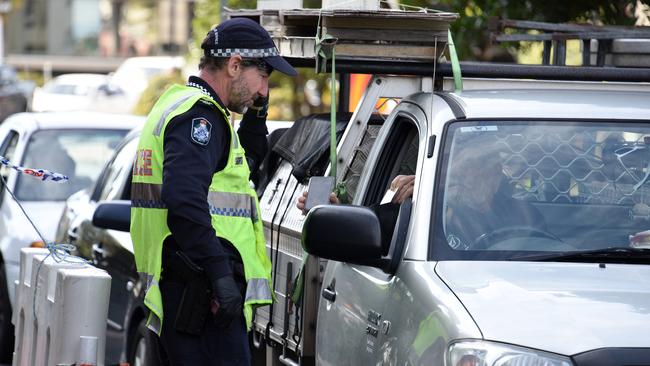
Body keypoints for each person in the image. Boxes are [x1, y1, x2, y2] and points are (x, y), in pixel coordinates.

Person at [130, 18, 297, 365]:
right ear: (235, 65)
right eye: (263, 77)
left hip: (190, 289)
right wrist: (220, 275)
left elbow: (239, 171)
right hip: (202, 296)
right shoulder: (200, 120)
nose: (264, 90)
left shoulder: (187, 106)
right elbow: (185, 201)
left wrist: (256, 116)